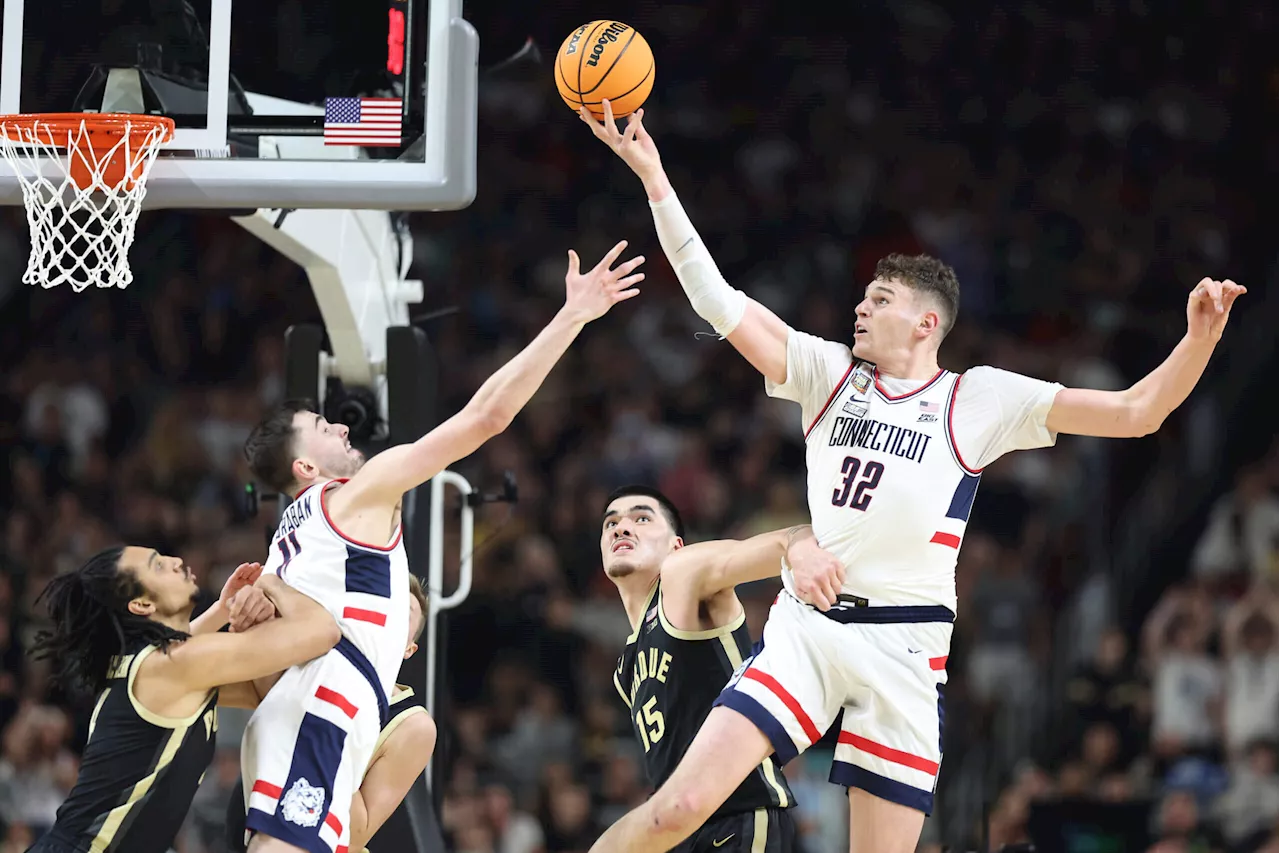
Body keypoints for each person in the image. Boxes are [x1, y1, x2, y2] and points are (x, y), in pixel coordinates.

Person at [581, 101, 1247, 853]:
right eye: (863, 296)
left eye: (880, 300)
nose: (860, 307)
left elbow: (1136, 411)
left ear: (926, 323)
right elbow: (716, 298)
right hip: (811, 630)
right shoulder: (828, 371)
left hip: (906, 648)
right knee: (679, 808)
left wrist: (1197, 341)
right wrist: (655, 176)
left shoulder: (978, 397)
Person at [239, 240, 644, 853]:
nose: (343, 425)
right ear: (303, 466)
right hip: (322, 707)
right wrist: (572, 317)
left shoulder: (286, 543)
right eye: (324, 427)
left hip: (298, 713)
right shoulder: (354, 494)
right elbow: (487, 417)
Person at [26, 547, 339, 853]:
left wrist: (225, 611)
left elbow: (260, 692)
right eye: (158, 566)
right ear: (142, 604)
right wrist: (272, 581)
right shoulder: (171, 667)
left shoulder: (155, 665)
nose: (176, 561)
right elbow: (322, 630)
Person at [601, 485, 843, 852]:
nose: (621, 527)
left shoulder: (681, 576)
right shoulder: (625, 666)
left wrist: (797, 544)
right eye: (611, 523)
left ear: (676, 546)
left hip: (738, 819)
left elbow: (774, 543)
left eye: (641, 518)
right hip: (680, 831)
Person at [225, 575, 437, 853]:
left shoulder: (413, 725)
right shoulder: (314, 660)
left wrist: (329, 732)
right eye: (387, 605)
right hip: (253, 815)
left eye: (404, 613)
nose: (391, 615)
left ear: (409, 648)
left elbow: (357, 834)